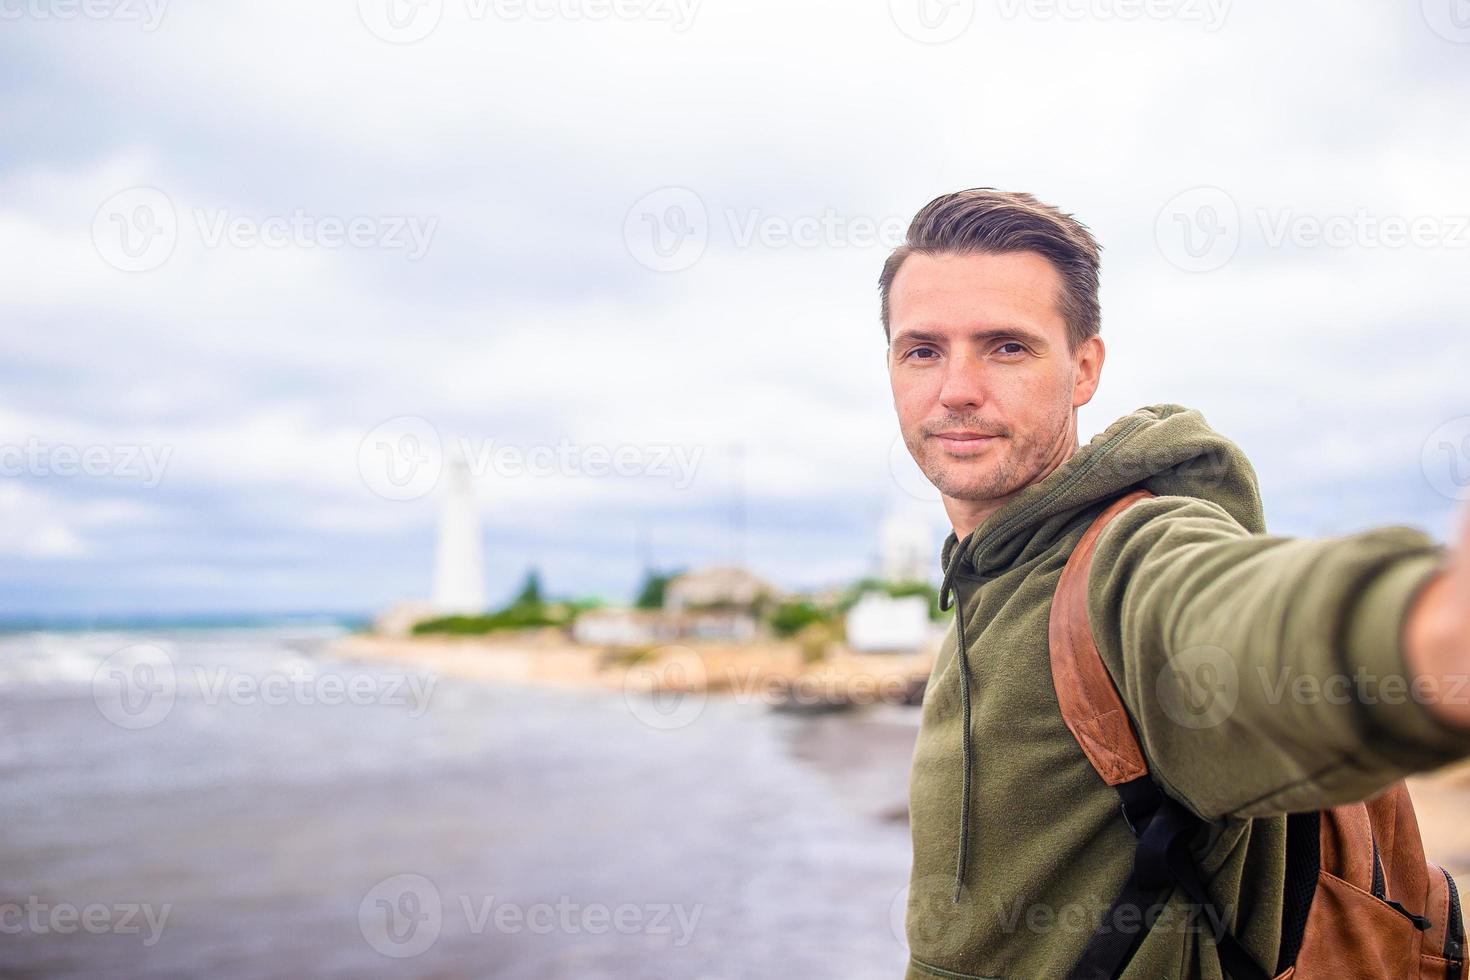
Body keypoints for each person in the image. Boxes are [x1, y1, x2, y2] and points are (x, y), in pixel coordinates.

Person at [882, 188, 1470, 978]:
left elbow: (1235, 623)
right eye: (922, 349)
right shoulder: (985, 578)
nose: (956, 388)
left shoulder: (1130, 560)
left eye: (1006, 347)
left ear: (1085, 367)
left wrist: (1426, 631)